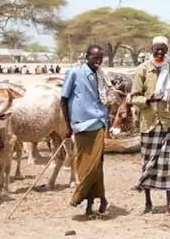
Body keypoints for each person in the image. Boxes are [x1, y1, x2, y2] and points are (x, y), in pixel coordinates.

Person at [129, 36, 170, 216]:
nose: (160, 52)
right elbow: (133, 97)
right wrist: (148, 99)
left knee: (167, 164)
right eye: (157, 48)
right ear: (151, 48)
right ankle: (148, 203)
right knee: (148, 163)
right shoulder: (142, 69)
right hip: (148, 123)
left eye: (163, 49)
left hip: (166, 122)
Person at [60, 44, 110, 219]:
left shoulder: (102, 75)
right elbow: (63, 100)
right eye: (94, 58)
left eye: (100, 58)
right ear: (86, 56)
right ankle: (96, 200)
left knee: (97, 166)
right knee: (84, 166)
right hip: (81, 125)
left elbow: (106, 99)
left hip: (99, 123)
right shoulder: (74, 73)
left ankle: (89, 200)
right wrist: (66, 126)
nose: (98, 61)